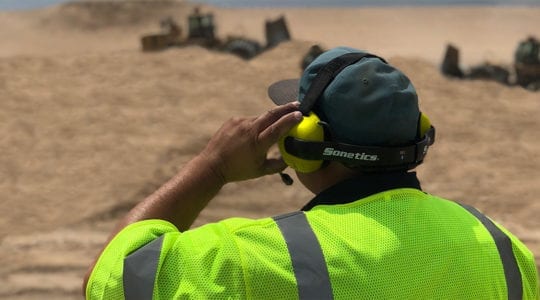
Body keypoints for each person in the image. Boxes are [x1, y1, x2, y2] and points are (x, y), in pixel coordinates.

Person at [83, 47, 539, 299]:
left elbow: (109, 280)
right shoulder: (501, 247)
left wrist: (213, 167)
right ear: (417, 139)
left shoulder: (249, 259)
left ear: (304, 143)